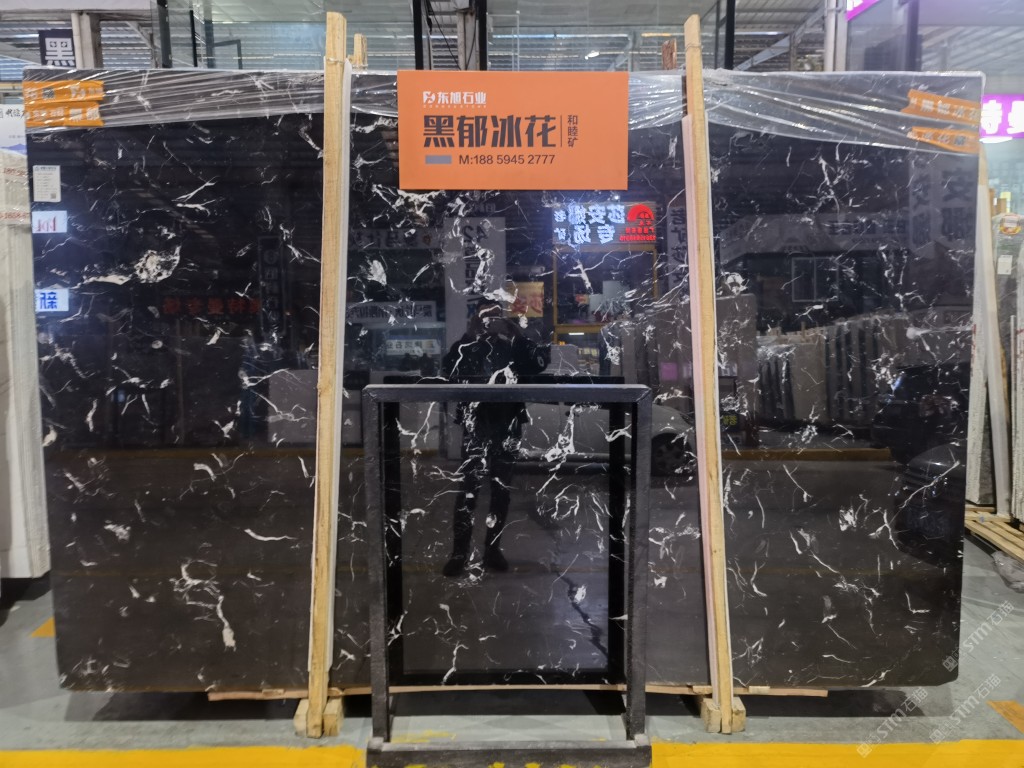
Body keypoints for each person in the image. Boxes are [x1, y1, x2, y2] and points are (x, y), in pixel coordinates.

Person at [441, 299, 548, 576]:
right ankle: (459, 554)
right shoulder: (469, 346)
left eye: (496, 316)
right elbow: (448, 369)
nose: (491, 321)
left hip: (507, 423)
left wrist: (516, 334)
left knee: (501, 492)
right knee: (468, 491)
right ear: (476, 319)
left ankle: (492, 550)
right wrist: (469, 335)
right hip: (476, 424)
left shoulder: (510, 348)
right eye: (485, 316)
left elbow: (537, 364)